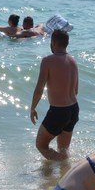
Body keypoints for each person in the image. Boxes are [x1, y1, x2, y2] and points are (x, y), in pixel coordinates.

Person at [30, 29, 79, 160]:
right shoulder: (73, 61)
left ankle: (62, 164)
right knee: (63, 149)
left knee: (41, 145)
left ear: (53, 43)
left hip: (59, 111)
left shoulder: (48, 61)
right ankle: (65, 169)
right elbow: (76, 90)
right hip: (73, 109)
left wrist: (32, 108)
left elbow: (39, 88)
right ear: (66, 43)